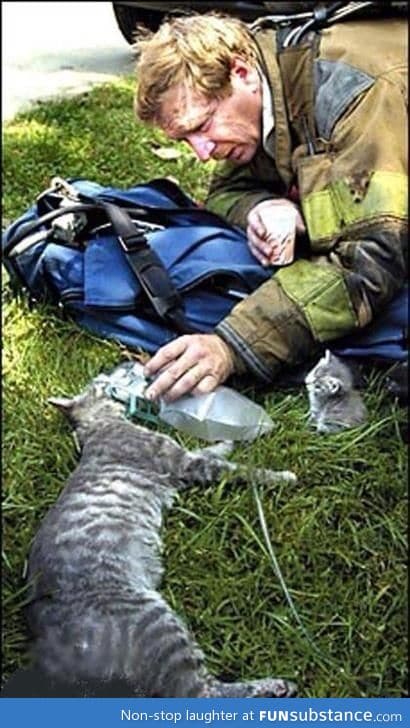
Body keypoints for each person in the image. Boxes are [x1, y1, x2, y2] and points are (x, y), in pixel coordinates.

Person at [133, 9, 407, 402]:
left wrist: (231, 346)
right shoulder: (266, 88)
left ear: (241, 73)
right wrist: (265, 206)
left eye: (202, 125)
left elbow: (371, 261)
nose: (203, 152)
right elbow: (226, 191)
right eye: (185, 140)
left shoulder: (354, 93)